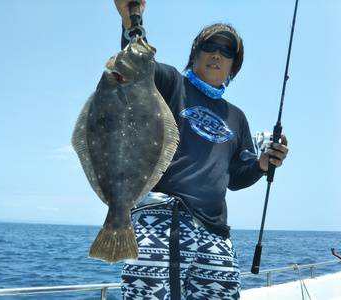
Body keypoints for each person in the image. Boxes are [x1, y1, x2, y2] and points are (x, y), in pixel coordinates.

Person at [114, 1, 289, 299]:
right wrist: (132, 20)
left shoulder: (237, 117)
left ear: (234, 65)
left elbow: (235, 177)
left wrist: (262, 164)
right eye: (210, 46)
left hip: (216, 233)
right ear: (195, 53)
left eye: (227, 51)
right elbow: (137, 67)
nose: (217, 54)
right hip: (161, 217)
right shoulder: (170, 83)